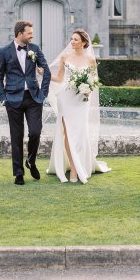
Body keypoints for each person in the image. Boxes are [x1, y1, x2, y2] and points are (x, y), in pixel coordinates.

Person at [46, 28, 110, 184]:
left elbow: (94, 82)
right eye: (71, 39)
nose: (72, 42)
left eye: (75, 39)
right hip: (65, 97)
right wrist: (45, 74)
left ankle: (80, 164)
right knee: (67, 133)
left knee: (80, 133)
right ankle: (74, 168)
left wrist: (88, 91)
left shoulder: (90, 60)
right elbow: (60, 78)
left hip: (81, 100)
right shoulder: (65, 57)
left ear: (84, 42)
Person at [0, 20, 51, 185]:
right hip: (12, 99)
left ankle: (31, 161)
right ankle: (18, 173)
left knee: (35, 132)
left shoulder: (35, 49)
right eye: (29, 33)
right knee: (16, 137)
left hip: (33, 98)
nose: (32, 36)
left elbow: (46, 70)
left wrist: (44, 92)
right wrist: (3, 97)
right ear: (20, 34)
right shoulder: (4, 52)